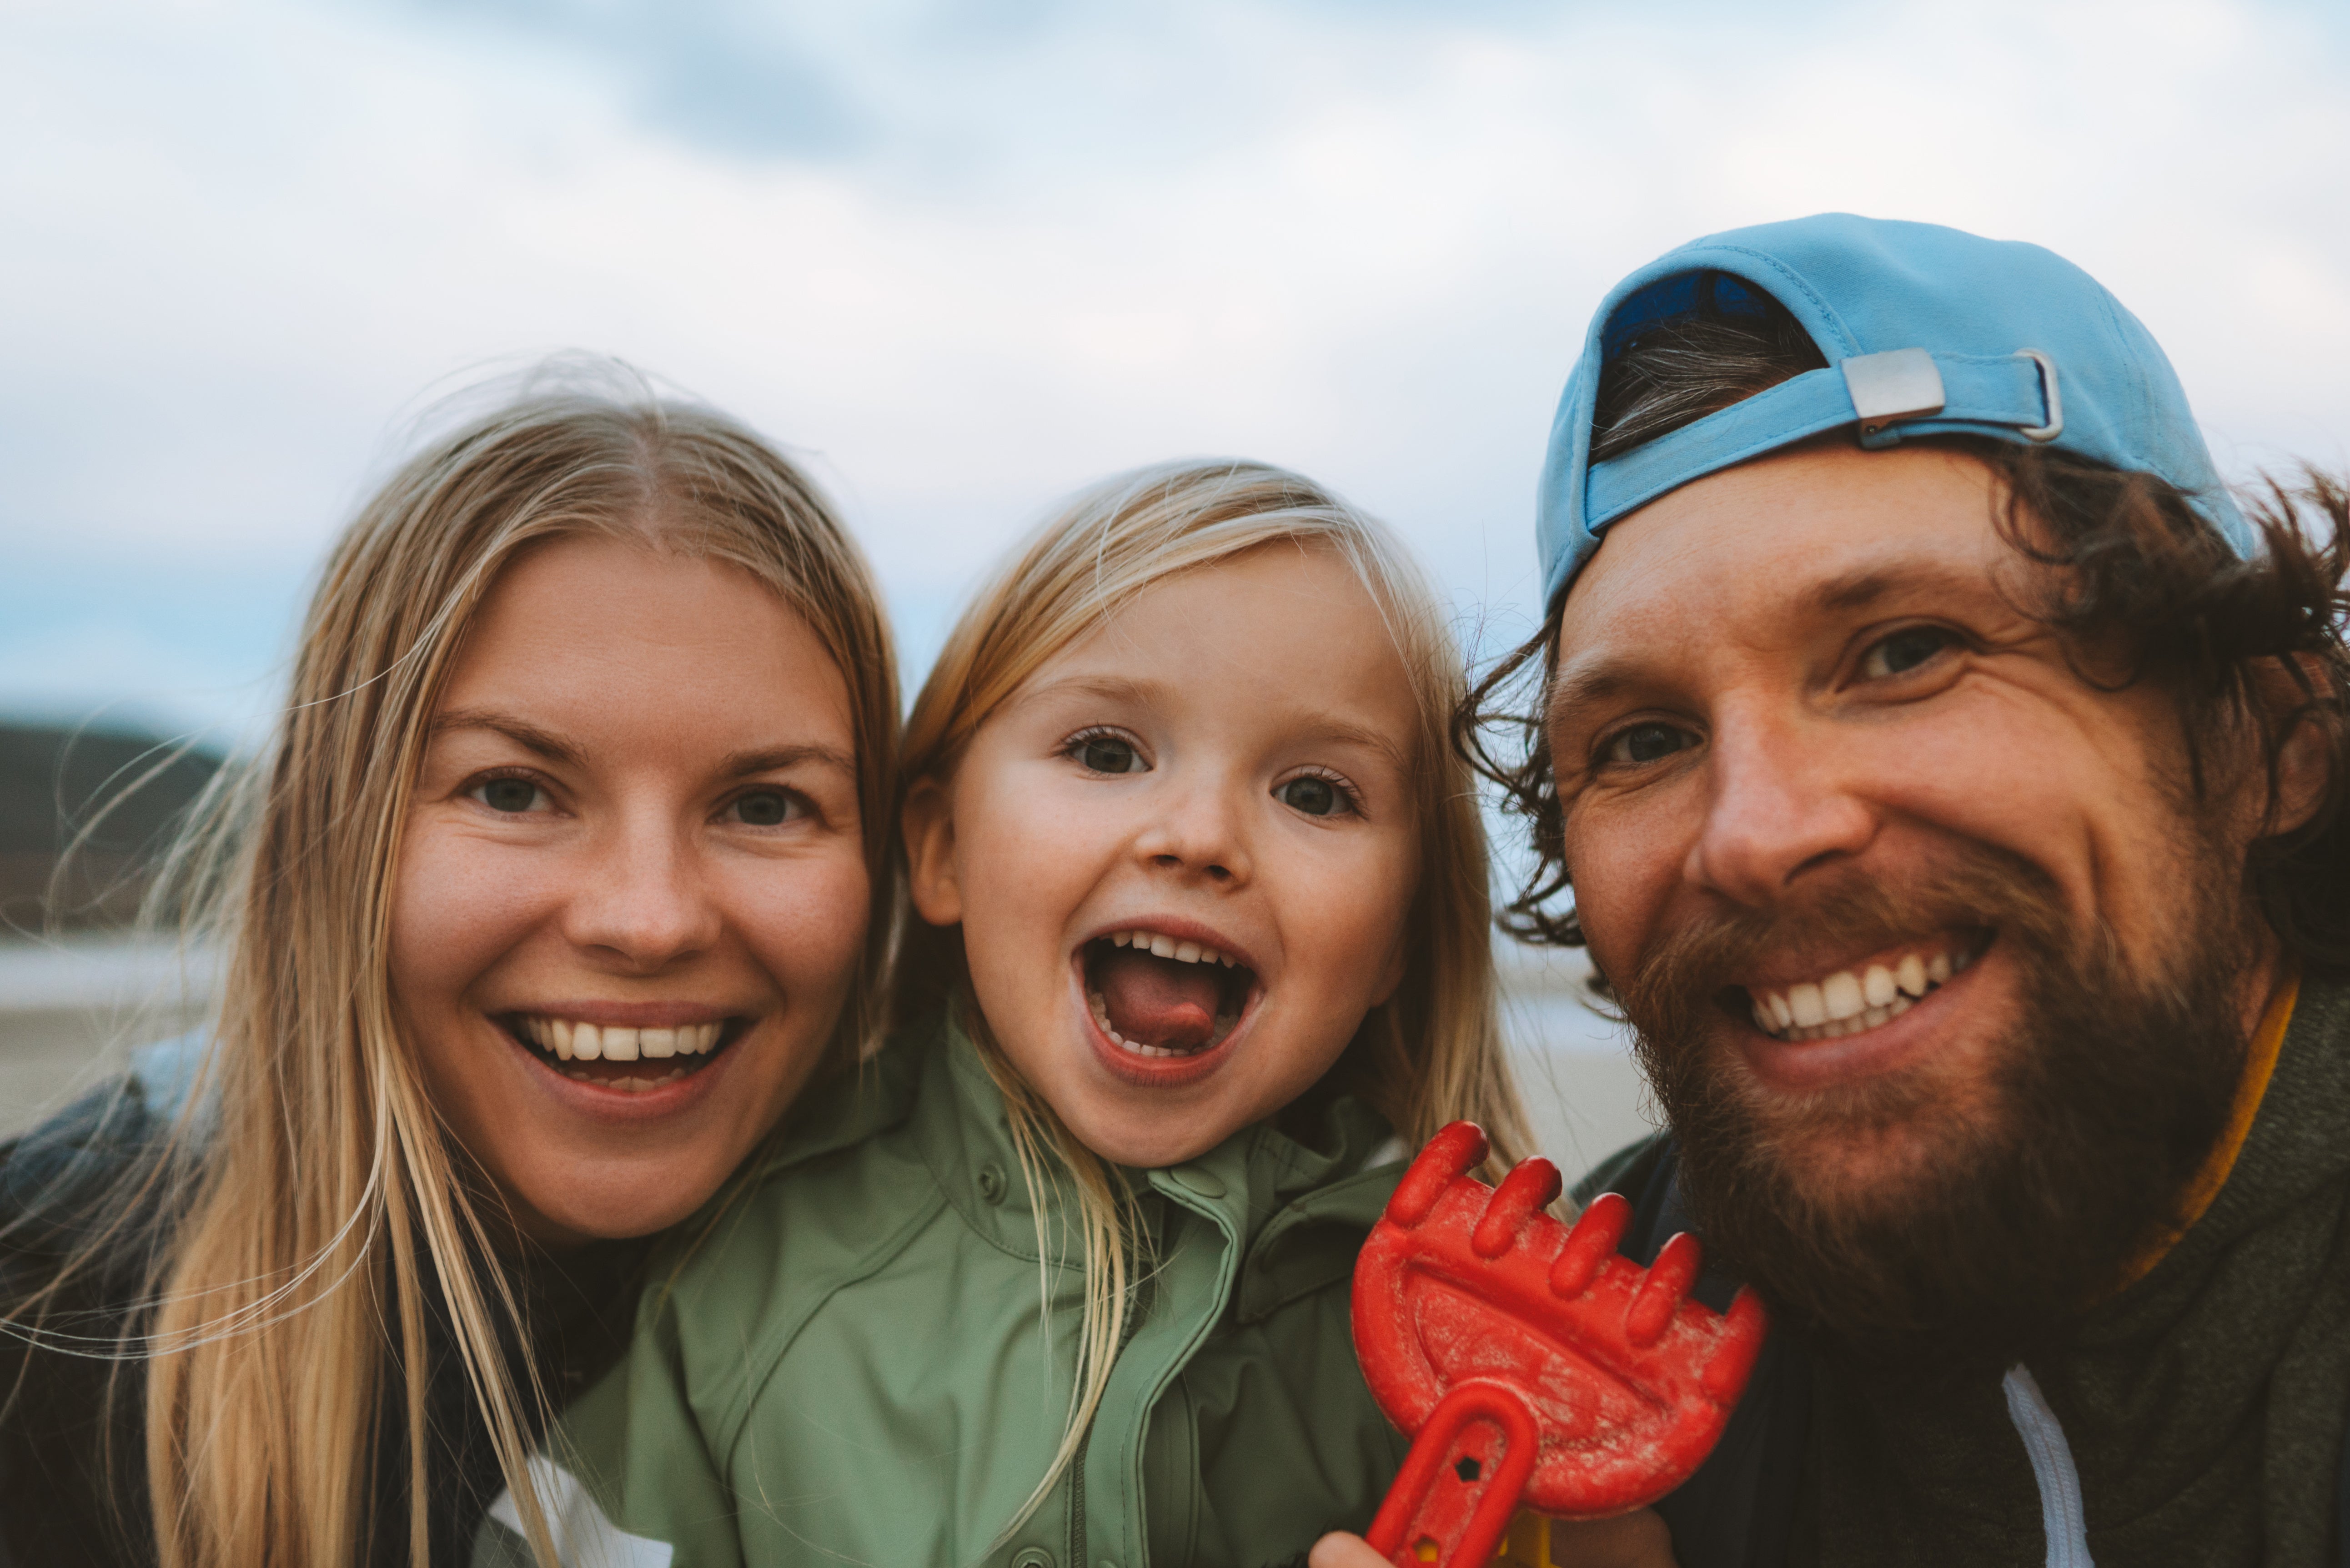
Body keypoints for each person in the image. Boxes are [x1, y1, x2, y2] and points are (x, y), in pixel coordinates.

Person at [1435, 214, 2349, 1566]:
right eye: (1643, 741)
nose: (1752, 835)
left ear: (2260, 744)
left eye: (1904, 651)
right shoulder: (1580, 1351)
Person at [476, 458, 1581, 1568]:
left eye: (1314, 792)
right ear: (945, 847)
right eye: (1106, 752)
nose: (1197, 833)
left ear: (1399, 934)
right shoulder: (752, 1276)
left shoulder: (1472, 1347)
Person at [0, 372, 901, 1568]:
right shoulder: (50, 1322)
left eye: (765, 804)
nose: (649, 920)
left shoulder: (999, 1288)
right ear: (335, 833)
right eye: (515, 791)